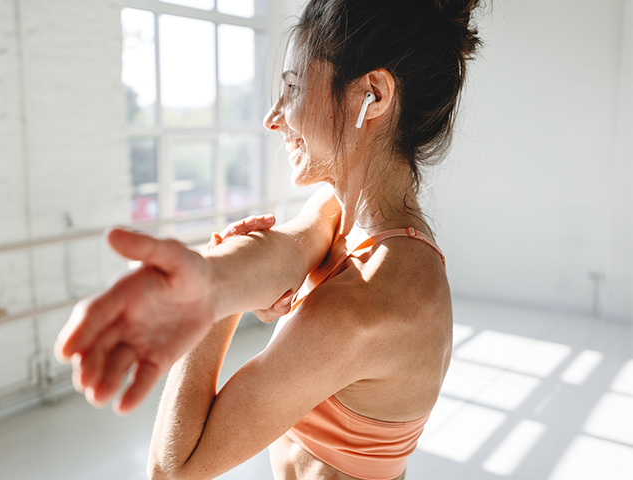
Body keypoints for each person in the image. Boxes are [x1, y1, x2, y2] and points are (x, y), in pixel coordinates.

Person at [54, 0, 482, 478]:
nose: (273, 117)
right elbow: (284, 251)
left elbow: (173, 469)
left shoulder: (371, 302)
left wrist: (210, 318)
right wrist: (208, 280)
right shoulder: (344, 214)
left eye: (293, 88)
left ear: (373, 96)